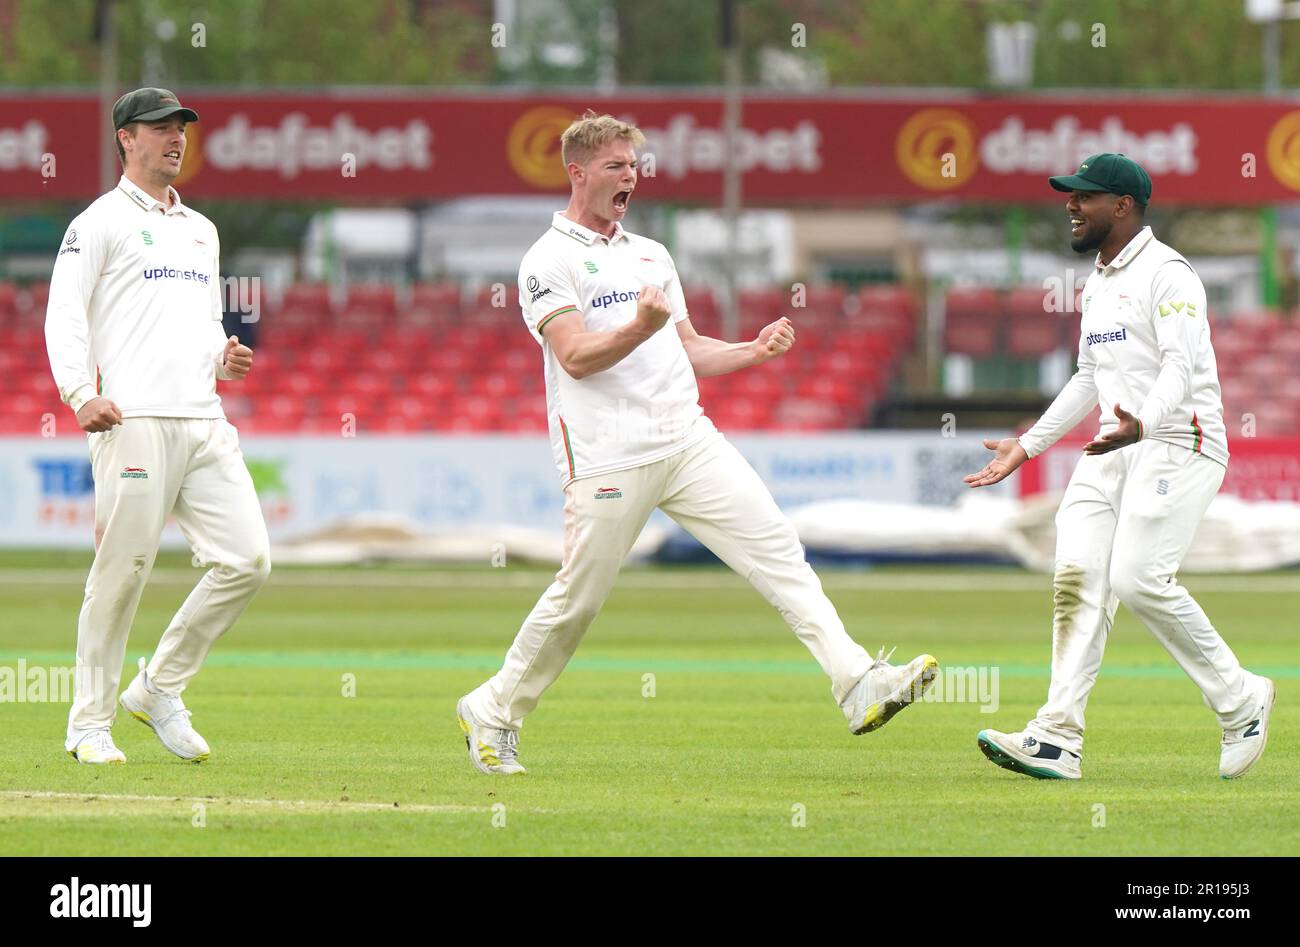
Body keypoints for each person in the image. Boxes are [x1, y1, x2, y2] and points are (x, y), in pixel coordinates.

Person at [456, 110, 937, 775]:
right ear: (578, 173)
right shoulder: (547, 259)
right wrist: (637, 326)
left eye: (634, 165)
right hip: (608, 455)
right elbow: (574, 357)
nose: (630, 176)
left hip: (686, 439)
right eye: (615, 166)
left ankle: (858, 683)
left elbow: (688, 349)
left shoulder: (650, 253)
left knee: (778, 552)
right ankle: (494, 709)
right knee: (580, 598)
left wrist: (752, 350)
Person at [965, 153, 1273, 780]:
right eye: (1070, 196)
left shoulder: (1170, 273)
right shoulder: (1099, 280)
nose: (1070, 207)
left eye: (1085, 197)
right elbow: (1087, 376)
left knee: (1136, 579)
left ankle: (1241, 700)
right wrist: (1028, 444)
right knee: (1077, 580)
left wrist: (1144, 422)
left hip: (1179, 442)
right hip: (1113, 448)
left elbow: (1180, 367)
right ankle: (1057, 738)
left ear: (1123, 205)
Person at [45, 87, 270, 765]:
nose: (175, 138)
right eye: (160, 128)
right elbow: (64, 316)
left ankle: (158, 686)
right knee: (124, 569)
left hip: (203, 418)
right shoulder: (99, 221)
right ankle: (88, 724)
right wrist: (80, 392)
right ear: (126, 138)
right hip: (131, 418)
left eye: (180, 129)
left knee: (248, 560)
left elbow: (203, 321)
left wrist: (222, 356)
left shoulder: (201, 229)